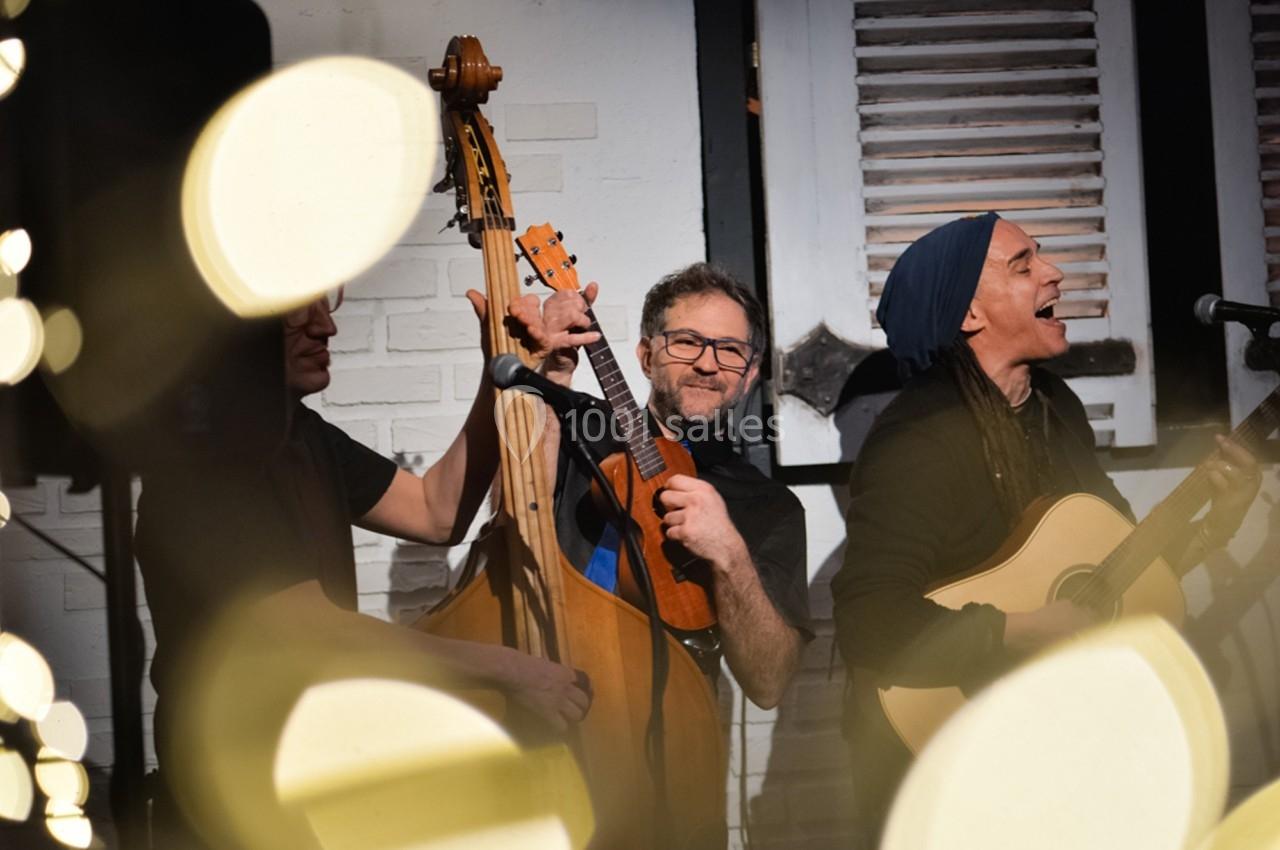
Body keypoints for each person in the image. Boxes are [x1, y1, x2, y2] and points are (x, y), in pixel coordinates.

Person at [831, 213, 1262, 845]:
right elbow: (869, 618)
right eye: (1023, 265)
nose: (1055, 273)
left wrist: (1217, 523)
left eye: (1043, 257)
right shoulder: (918, 439)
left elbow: (1115, 567)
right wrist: (1022, 628)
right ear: (969, 314)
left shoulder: (1055, 407)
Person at [135, 283, 600, 847]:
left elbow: (435, 512)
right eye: (293, 311)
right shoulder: (204, 461)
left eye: (324, 305)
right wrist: (510, 670)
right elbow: (310, 630)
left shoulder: (302, 435)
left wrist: (497, 372)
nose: (325, 327)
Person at [534, 264, 811, 708]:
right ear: (647, 357)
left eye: (730, 349)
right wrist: (552, 377)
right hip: (540, 692)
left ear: (749, 374)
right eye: (686, 341)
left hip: (673, 718)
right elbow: (509, 512)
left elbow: (769, 684)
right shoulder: (574, 425)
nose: (707, 363)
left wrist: (730, 555)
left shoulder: (771, 505)